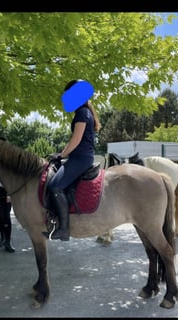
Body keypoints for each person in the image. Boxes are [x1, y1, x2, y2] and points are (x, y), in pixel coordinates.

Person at [44, 79, 101, 241]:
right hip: (81, 156)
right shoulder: (84, 112)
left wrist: (61, 155)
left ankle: (63, 228)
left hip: (81, 158)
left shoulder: (83, 113)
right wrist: (61, 154)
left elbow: (75, 140)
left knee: (55, 186)